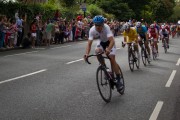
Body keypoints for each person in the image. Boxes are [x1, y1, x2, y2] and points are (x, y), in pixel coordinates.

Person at [84, 15, 123, 92]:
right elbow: (89, 44)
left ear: (103, 24)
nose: (98, 27)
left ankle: (119, 79)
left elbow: (112, 41)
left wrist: (108, 49)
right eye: (96, 25)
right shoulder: (92, 30)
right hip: (101, 42)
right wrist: (87, 54)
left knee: (112, 58)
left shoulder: (106, 28)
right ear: (94, 24)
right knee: (97, 51)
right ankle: (105, 68)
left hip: (109, 42)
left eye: (100, 25)